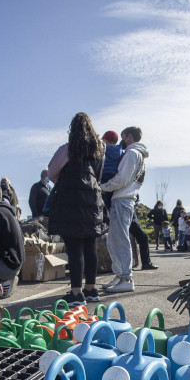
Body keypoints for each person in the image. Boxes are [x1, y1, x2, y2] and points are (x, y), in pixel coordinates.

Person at [46, 112, 106, 305]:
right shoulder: (99, 151)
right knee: (90, 247)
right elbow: (98, 176)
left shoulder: (67, 149)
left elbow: (51, 173)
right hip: (92, 202)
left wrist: (65, 182)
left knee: (74, 249)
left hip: (71, 201)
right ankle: (91, 289)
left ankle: (76, 293)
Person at [101, 126, 148, 293]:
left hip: (123, 198)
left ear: (129, 136)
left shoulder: (131, 154)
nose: (121, 141)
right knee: (113, 239)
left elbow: (121, 178)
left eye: (123, 136)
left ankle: (126, 277)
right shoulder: (139, 155)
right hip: (124, 199)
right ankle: (120, 275)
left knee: (120, 239)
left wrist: (104, 187)